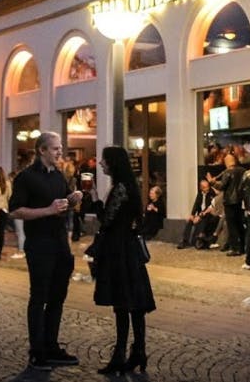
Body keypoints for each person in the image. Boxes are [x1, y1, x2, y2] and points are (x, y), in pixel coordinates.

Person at [9, 131, 83, 371]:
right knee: (38, 297)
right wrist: (47, 210)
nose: (60, 152)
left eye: (60, 148)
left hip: (60, 244)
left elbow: (60, 207)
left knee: (58, 298)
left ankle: (51, 346)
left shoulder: (59, 176)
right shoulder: (26, 178)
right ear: (41, 150)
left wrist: (72, 200)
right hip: (40, 245)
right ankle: (36, 350)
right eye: (55, 148)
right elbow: (16, 211)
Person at [91, 146, 156, 374]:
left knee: (121, 303)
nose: (100, 164)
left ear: (113, 163)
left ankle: (120, 354)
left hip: (118, 251)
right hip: (129, 249)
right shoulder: (130, 186)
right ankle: (138, 350)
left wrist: (95, 200)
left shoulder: (119, 188)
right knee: (134, 304)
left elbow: (106, 220)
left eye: (104, 160)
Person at [211, 153, 246, 256]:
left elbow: (222, 186)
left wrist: (212, 182)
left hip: (230, 202)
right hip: (240, 201)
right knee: (240, 224)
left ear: (227, 162)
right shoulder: (243, 171)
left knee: (232, 225)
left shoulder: (228, 172)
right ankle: (242, 247)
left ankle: (234, 248)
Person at [178, 179, 219, 249]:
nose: (207, 188)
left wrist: (200, 216)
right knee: (190, 221)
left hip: (208, 215)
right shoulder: (200, 193)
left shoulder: (211, 194)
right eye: (204, 187)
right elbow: (196, 204)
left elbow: (209, 207)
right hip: (200, 213)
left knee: (202, 220)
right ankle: (185, 241)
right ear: (201, 188)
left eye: (207, 187)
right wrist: (192, 214)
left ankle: (197, 240)